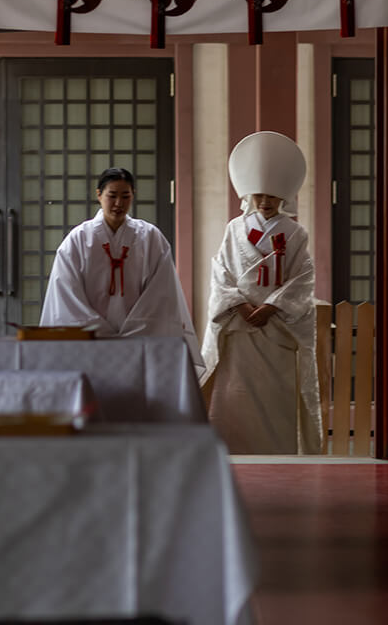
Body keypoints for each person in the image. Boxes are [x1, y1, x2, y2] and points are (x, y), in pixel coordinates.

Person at [201, 131, 322, 455]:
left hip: (276, 329)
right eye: (259, 196)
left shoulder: (295, 233)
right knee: (235, 395)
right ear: (248, 196)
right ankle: (232, 451)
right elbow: (221, 272)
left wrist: (271, 307)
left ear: (284, 196)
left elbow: (303, 277)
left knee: (276, 396)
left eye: (272, 196)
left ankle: (279, 452)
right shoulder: (234, 229)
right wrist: (240, 305)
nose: (265, 202)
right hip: (240, 328)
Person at [40, 167, 202, 364]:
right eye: (112, 195)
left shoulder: (150, 238)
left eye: (125, 196)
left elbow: (161, 293)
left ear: (133, 195)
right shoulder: (78, 240)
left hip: (140, 340)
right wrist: (99, 331)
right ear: (99, 195)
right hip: (91, 342)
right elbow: (66, 294)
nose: (119, 203)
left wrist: (133, 329)